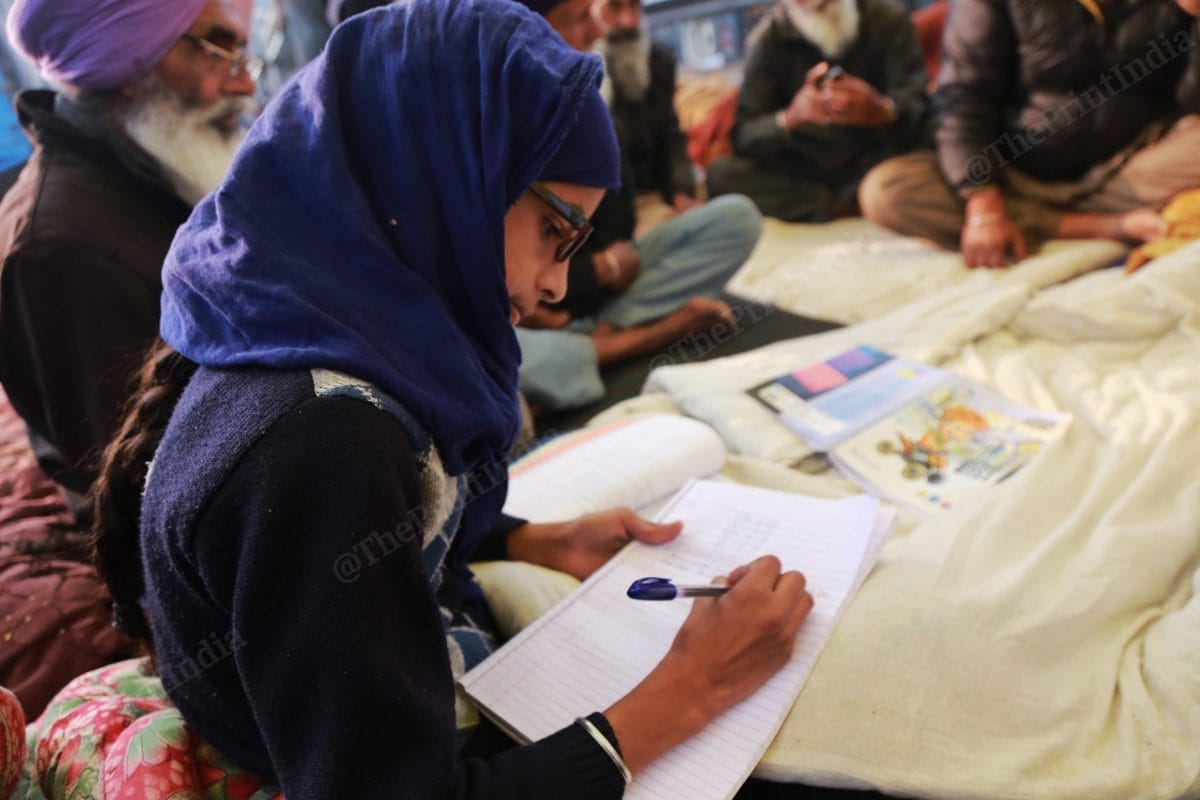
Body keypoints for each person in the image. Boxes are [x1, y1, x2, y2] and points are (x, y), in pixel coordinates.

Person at [86, 2, 813, 797]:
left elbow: (374, 533)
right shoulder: (328, 444)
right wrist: (692, 689)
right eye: (555, 231)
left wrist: (529, 539)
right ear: (444, 180)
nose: (558, 285)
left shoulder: (321, 315)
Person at [0, 0, 256, 510]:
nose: (245, 84)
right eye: (216, 49)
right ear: (128, 68)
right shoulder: (61, 252)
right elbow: (144, 482)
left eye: (241, 54)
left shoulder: (157, 159)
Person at [515, 0, 764, 413]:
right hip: (529, 305)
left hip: (600, 283)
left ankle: (585, 344)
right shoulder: (496, 129)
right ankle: (640, 337)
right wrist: (596, 271)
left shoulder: (601, 100)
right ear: (530, 31)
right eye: (583, 18)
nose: (600, 30)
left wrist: (611, 263)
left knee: (737, 218)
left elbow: (619, 227)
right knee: (481, 363)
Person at [859, 0, 1200, 268]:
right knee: (887, 192)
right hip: (1013, 172)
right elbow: (964, 97)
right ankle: (1106, 226)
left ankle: (1043, 220)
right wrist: (983, 204)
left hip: (1129, 167)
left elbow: (1191, 102)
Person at [705, 0, 930, 222]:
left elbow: (918, 106)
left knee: (929, 151)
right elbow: (745, 134)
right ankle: (836, 204)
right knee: (722, 174)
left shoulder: (887, 19)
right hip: (805, 169)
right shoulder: (769, 39)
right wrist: (791, 117)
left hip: (873, 156)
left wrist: (880, 110)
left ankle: (857, 198)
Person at [594, 0, 697, 235]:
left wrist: (681, 190)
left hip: (651, 189)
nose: (628, 21)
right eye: (614, 8)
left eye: (634, 7)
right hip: (604, 211)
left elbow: (670, 135)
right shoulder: (574, 73)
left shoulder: (659, 61)